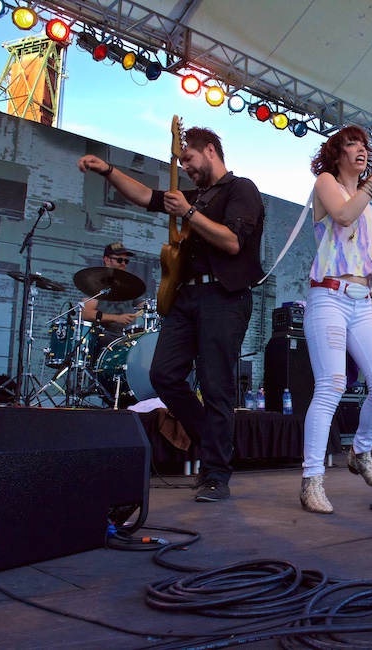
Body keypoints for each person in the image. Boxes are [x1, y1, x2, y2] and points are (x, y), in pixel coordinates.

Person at [77, 126, 265, 503]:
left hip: (224, 296)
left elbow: (232, 242)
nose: (186, 168)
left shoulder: (241, 189)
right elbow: (146, 196)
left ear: (209, 150)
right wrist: (107, 170)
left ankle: (216, 474)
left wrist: (190, 212)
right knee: (163, 374)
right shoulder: (194, 195)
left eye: (189, 160)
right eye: (181, 163)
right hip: (186, 296)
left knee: (215, 384)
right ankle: (213, 441)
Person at [298, 78, 372, 514]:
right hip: (328, 297)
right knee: (330, 385)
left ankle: (360, 451)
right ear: (336, 153)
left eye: (364, 144)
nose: (361, 149)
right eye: (352, 144)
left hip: (362, 301)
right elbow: (345, 215)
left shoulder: (368, 186)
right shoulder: (325, 183)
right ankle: (312, 480)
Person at [81, 243, 147, 345]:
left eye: (126, 261)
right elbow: (86, 313)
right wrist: (117, 318)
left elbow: (144, 306)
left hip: (124, 338)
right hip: (101, 335)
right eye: (119, 260)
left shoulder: (129, 285)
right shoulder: (97, 283)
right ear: (107, 260)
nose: (123, 263)